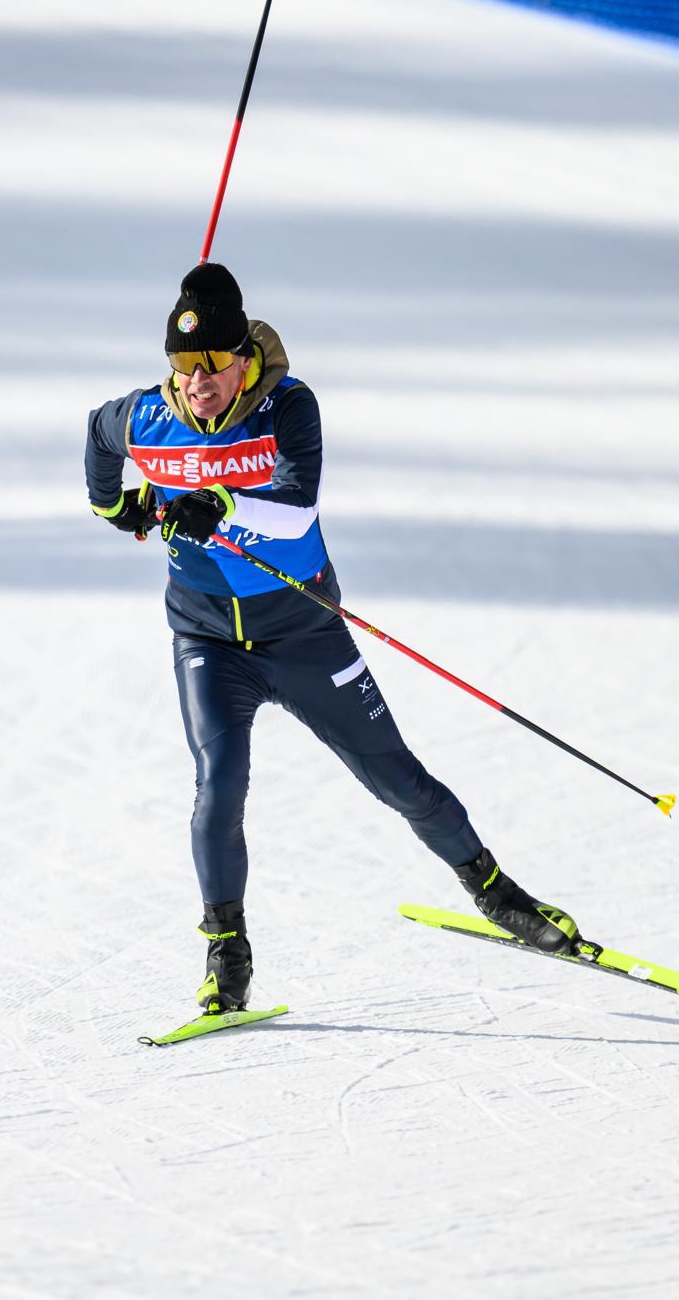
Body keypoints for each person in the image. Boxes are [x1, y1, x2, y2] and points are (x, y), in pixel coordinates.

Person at [86, 263, 578, 1013]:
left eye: (212, 362)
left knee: (398, 780)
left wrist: (218, 502)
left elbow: (295, 510)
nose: (197, 380)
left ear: (243, 357)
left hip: (303, 630)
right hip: (207, 639)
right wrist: (112, 505)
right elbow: (97, 431)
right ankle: (227, 951)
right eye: (183, 363)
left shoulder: (288, 405)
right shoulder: (147, 416)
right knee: (219, 785)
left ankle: (496, 892)